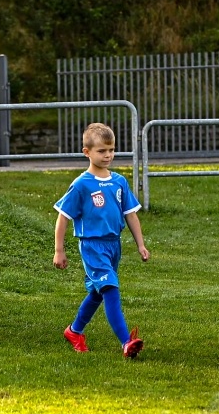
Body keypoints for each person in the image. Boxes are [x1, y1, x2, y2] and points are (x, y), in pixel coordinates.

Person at [53, 122, 149, 358]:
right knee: (111, 290)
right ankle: (127, 342)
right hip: (92, 246)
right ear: (87, 152)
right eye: (102, 151)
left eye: (111, 150)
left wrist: (140, 244)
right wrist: (59, 250)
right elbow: (63, 217)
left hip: (113, 245)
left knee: (98, 293)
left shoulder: (119, 182)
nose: (108, 155)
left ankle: (74, 331)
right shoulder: (81, 185)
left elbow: (131, 214)